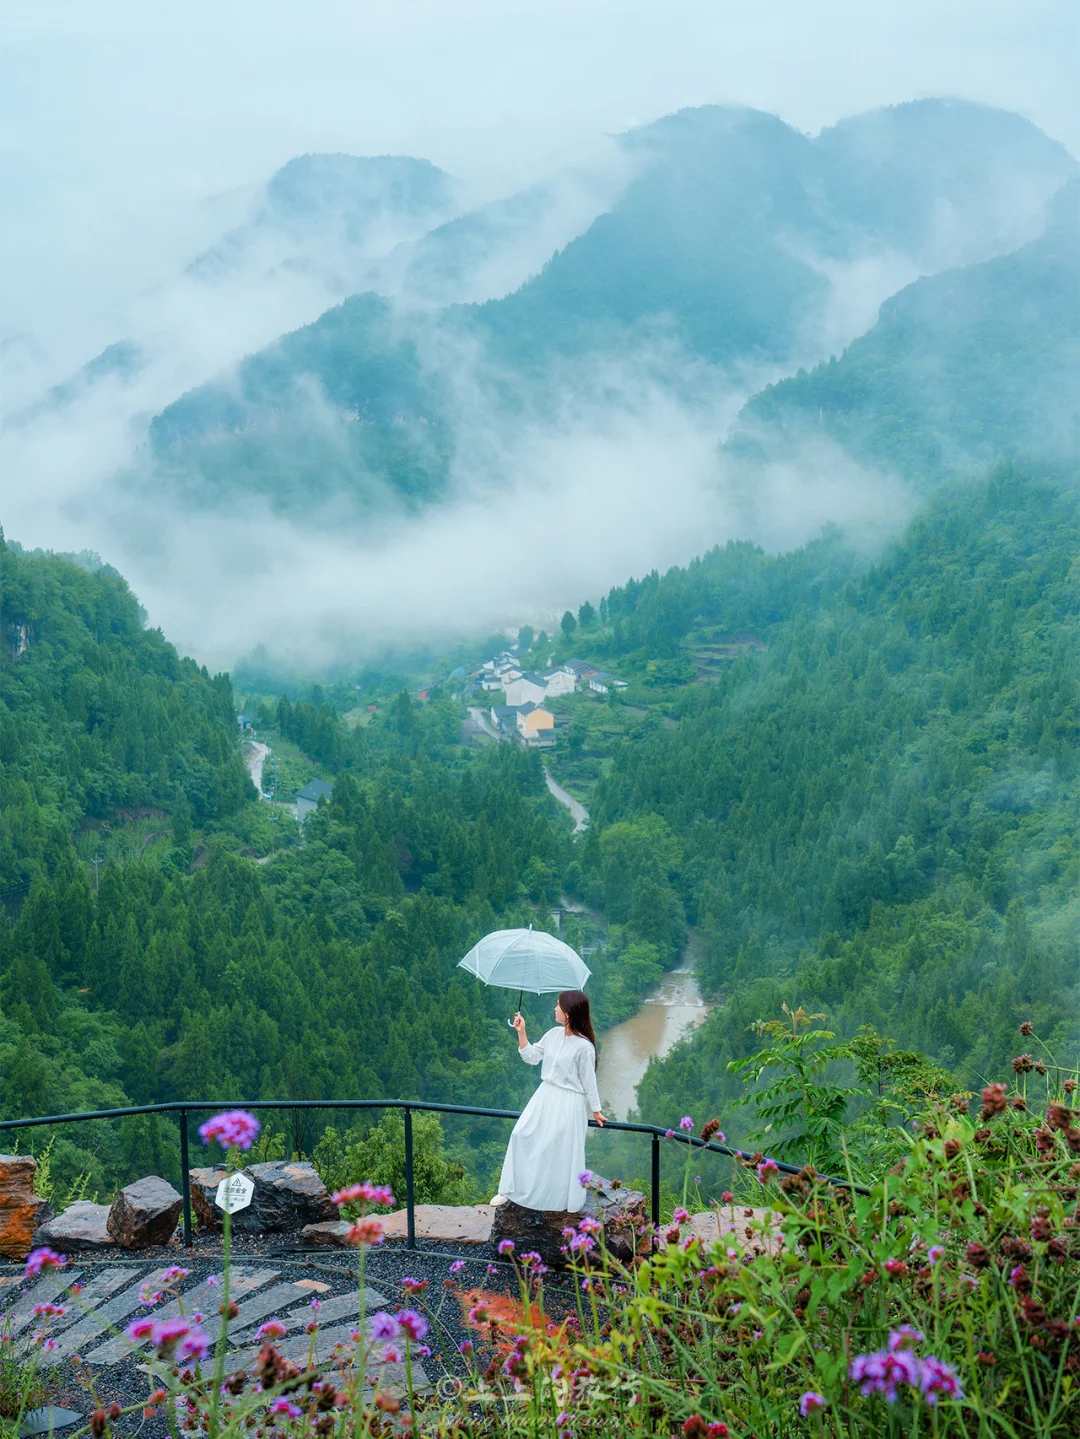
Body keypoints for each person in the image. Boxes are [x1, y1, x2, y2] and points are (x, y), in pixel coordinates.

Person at [495, 989, 606, 1212]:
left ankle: (552, 1198)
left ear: (569, 1012)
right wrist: (521, 1031)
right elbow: (532, 1057)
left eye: (558, 1005)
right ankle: (511, 1189)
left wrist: (596, 1110)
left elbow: (589, 1082)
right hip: (544, 1096)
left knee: (556, 1147)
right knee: (520, 1134)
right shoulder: (553, 1034)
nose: (555, 1008)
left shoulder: (584, 1047)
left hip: (569, 1102)